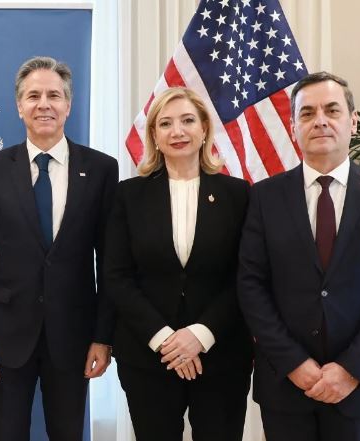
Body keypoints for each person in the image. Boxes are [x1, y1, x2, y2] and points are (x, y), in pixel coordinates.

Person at [238, 71, 360, 441]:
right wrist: (293, 362)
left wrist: (350, 368)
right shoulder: (264, 196)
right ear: (293, 128)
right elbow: (251, 286)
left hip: (357, 386)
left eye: (332, 110)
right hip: (286, 384)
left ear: (353, 122)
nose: (320, 120)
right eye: (307, 113)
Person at [0, 56, 117, 441]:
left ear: (68, 105)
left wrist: (103, 337)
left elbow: (109, 263)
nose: (44, 104)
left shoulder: (101, 169)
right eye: (33, 96)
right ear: (19, 106)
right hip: (5, 338)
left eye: (53, 95)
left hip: (73, 337)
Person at [104, 87, 252, 441]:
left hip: (221, 352)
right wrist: (166, 340)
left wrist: (200, 335)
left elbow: (246, 275)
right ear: (154, 135)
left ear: (204, 129)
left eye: (187, 120)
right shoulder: (128, 195)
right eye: (166, 123)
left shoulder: (239, 194)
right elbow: (116, 276)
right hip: (148, 355)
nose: (178, 131)